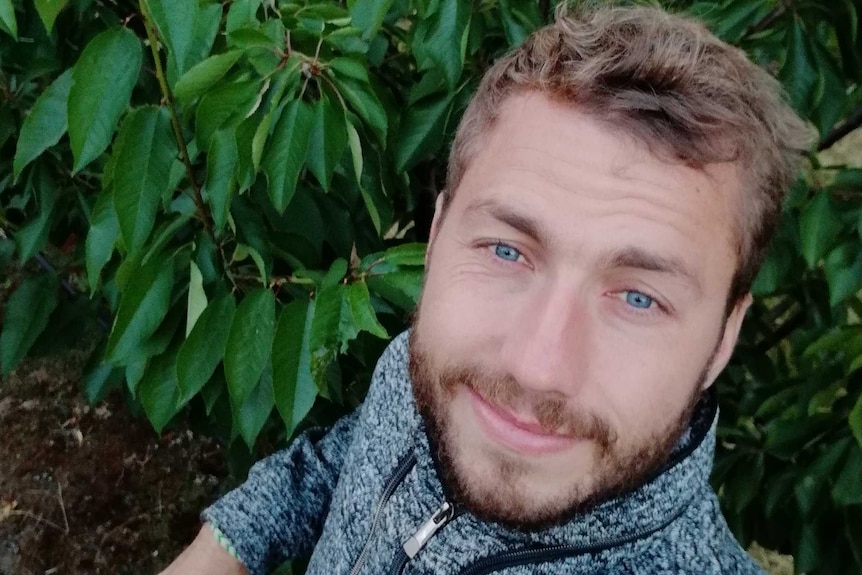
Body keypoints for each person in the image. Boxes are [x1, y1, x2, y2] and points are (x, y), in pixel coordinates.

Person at [160, 4, 811, 575]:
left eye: (639, 296)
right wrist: (224, 543)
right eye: (507, 250)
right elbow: (340, 459)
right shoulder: (423, 371)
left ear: (724, 337)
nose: (534, 366)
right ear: (439, 233)